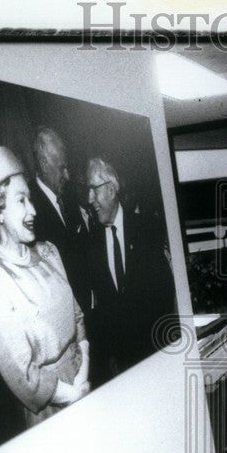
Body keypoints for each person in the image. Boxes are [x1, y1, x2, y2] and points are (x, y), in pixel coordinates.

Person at [0, 143, 90, 427]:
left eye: (30, 199)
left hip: (84, 384)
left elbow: (78, 317)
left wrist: (84, 374)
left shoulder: (49, 254)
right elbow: (22, 373)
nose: (32, 210)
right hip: (52, 409)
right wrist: (72, 394)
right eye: (21, 200)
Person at [84, 156, 176, 384]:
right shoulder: (90, 243)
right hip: (121, 366)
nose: (90, 199)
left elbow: (164, 292)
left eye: (94, 189)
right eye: (88, 191)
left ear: (112, 189)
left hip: (156, 353)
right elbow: (100, 309)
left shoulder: (147, 228)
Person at [30, 127, 92, 312]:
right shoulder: (29, 207)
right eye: (61, 168)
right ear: (43, 163)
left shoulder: (69, 193)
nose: (67, 175)